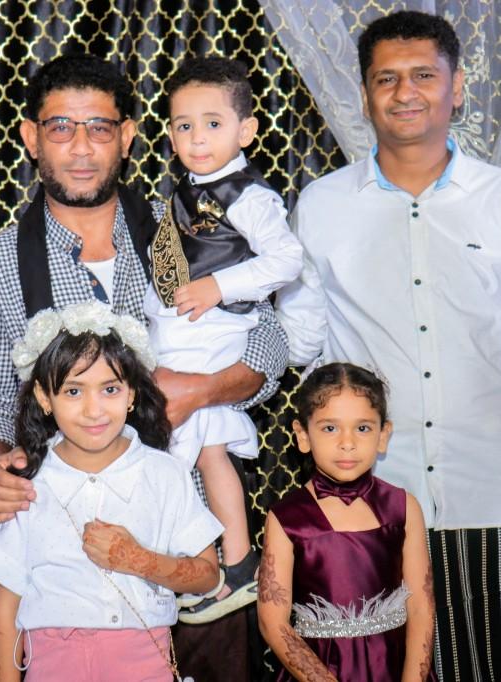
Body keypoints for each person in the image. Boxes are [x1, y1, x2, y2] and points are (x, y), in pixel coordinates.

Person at [0, 54, 290, 680]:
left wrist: (199, 391)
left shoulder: (186, 233)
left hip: (199, 551)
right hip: (65, 571)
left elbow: (269, 342)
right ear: (30, 137)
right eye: (61, 127)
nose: (81, 147)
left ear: (128, 136)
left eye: (100, 128)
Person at [275, 10, 501, 680]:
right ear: (364, 95)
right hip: (368, 506)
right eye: (387, 79)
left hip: (489, 495)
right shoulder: (321, 207)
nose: (405, 92)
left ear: (457, 87)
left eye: (423, 76)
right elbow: (303, 349)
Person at [0, 301, 223, 681]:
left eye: (110, 389)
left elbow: (208, 576)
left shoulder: (165, 475)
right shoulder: (26, 482)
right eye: (73, 391)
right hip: (52, 667)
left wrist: (138, 560)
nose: (93, 410)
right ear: (44, 397)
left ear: (131, 393)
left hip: (144, 666)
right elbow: (9, 604)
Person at [144, 56, 303, 624]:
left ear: (246, 130)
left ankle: (221, 565)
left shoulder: (248, 195)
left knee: (189, 446)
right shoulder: (184, 191)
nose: (197, 137)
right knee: (204, 450)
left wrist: (219, 286)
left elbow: (287, 259)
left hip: (217, 331)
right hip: (186, 329)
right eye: (183, 125)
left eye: (212, 124)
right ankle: (225, 564)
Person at [258, 363, 435, 681]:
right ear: (303, 435)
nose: (347, 442)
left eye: (362, 428)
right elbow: (273, 623)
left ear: (383, 435)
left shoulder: (404, 508)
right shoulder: (286, 519)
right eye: (330, 428)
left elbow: (421, 607)